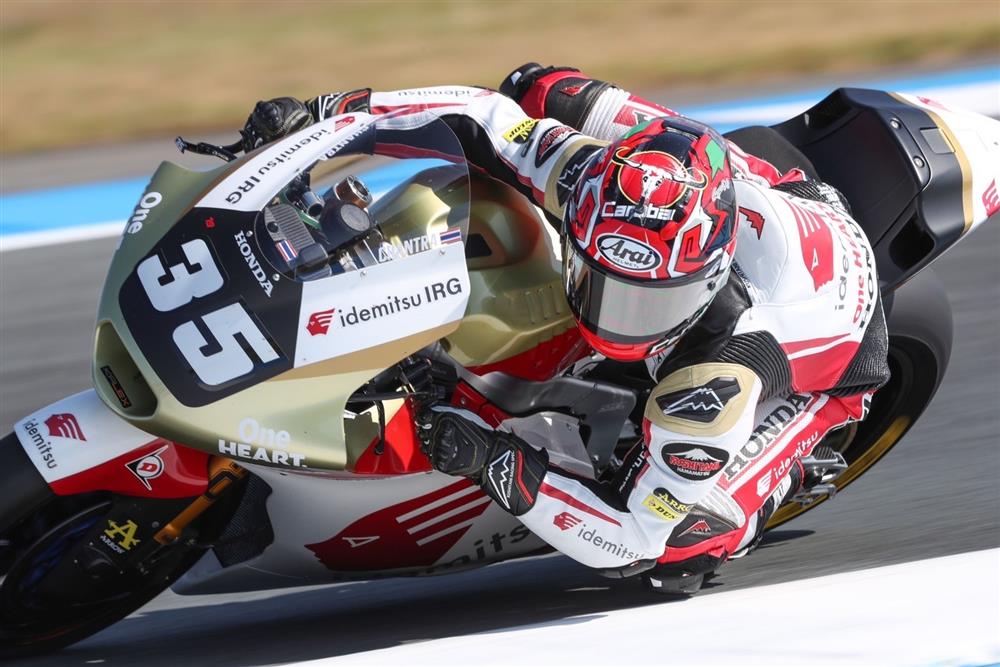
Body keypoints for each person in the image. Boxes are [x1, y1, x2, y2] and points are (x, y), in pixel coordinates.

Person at [240, 64, 889, 593]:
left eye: (645, 304)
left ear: (705, 280)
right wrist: (329, 115)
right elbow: (477, 114)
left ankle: (787, 475)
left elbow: (633, 537)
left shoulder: (720, 374)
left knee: (681, 546)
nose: (614, 321)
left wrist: (497, 461)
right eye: (600, 283)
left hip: (838, 350)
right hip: (754, 187)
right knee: (534, 87)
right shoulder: (585, 177)